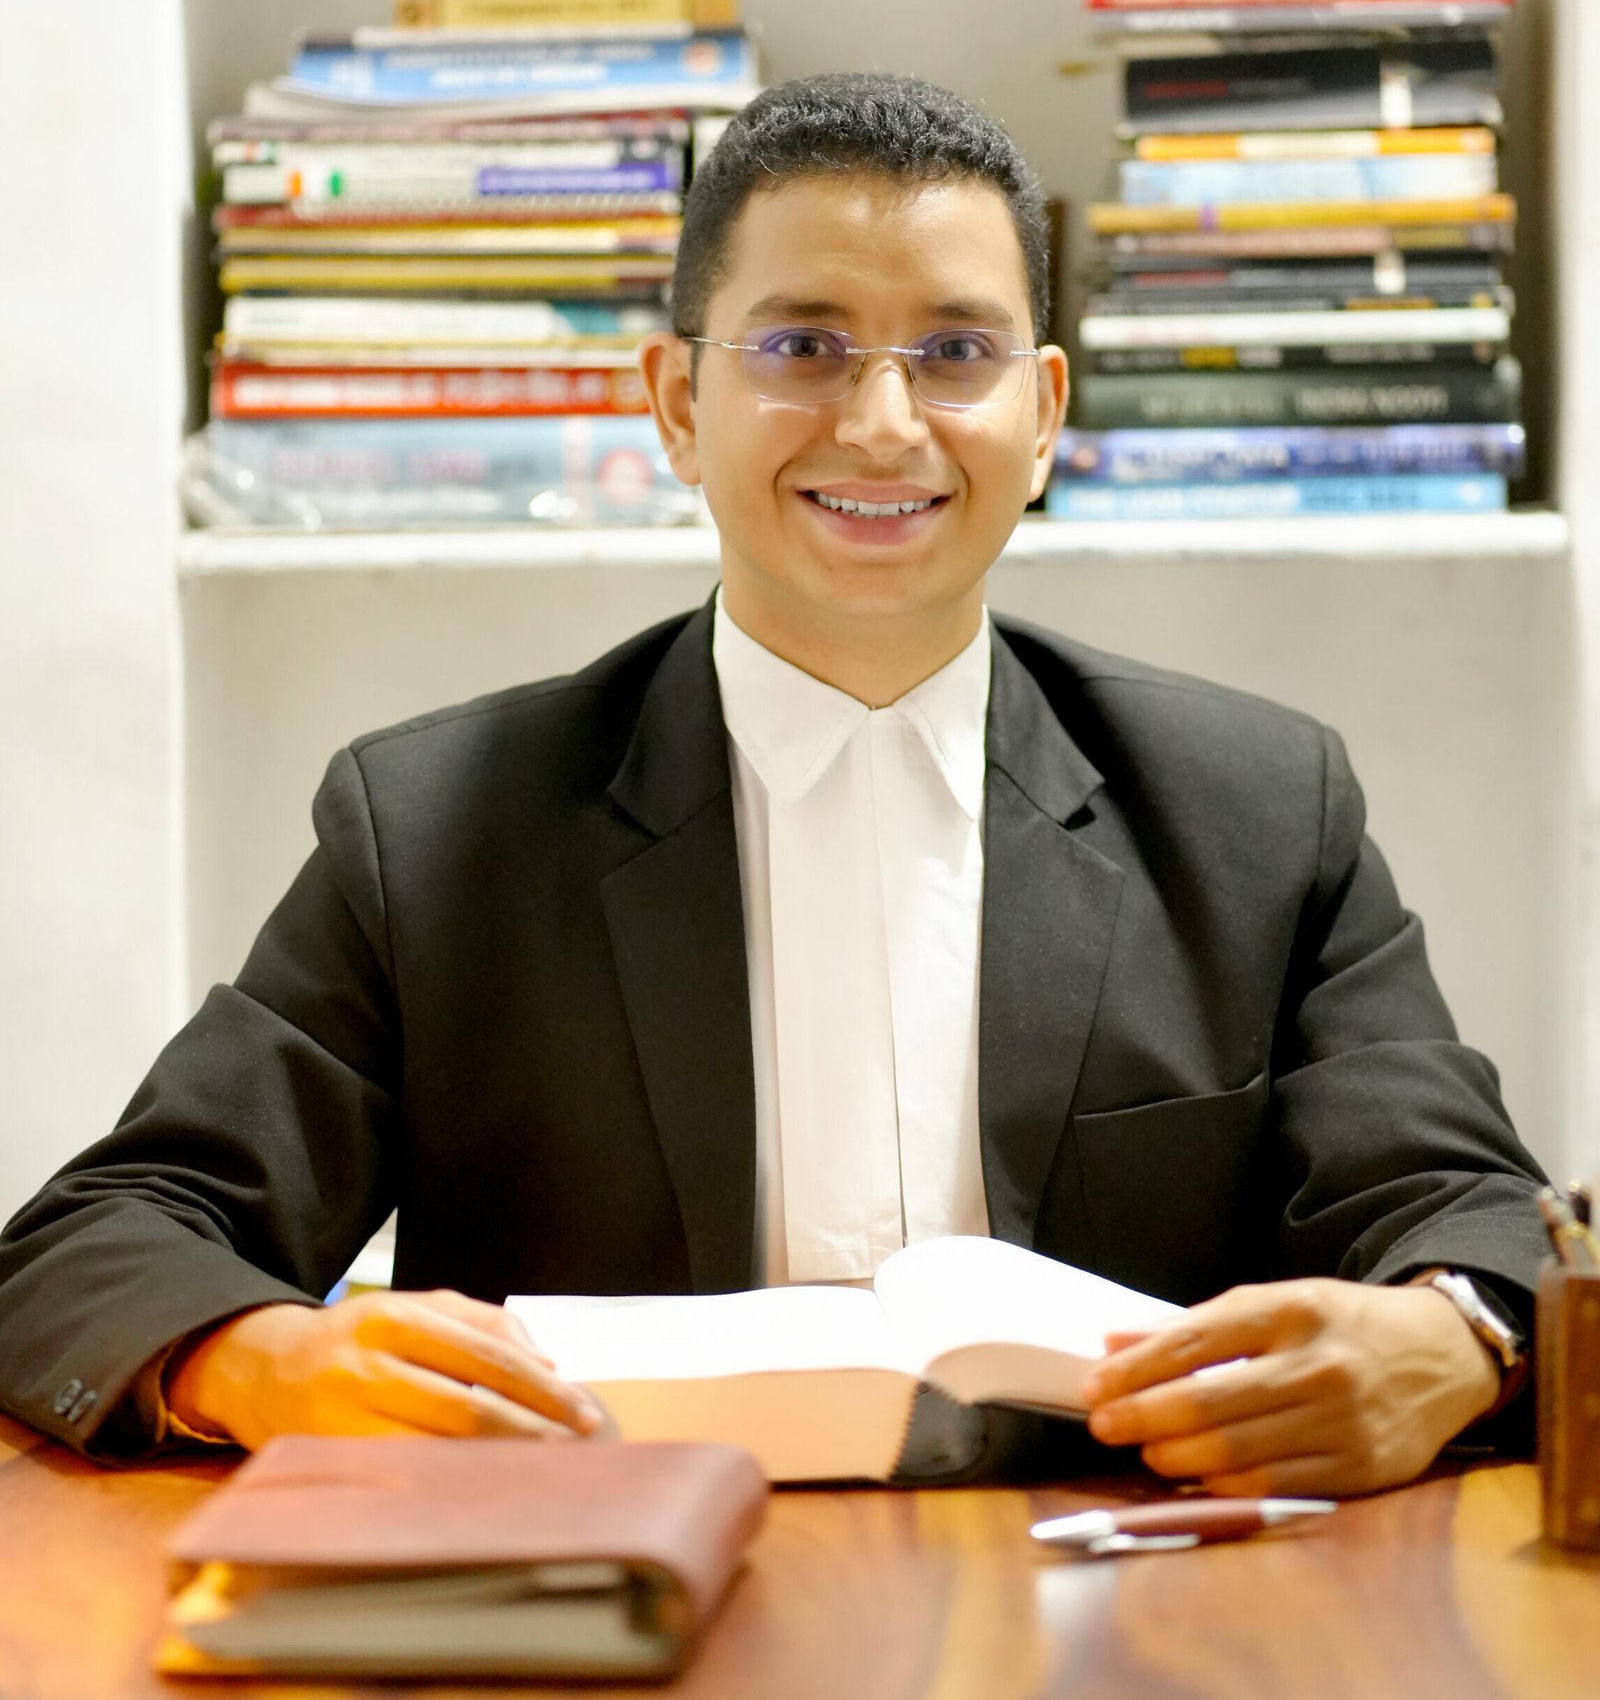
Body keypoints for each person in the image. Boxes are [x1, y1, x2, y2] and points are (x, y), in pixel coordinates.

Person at [0, 74, 1548, 1496]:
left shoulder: (1260, 810)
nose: (882, 424)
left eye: (956, 352)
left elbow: (1479, 1213)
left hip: (1129, 1616)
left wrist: (1460, 1337)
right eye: (803, 346)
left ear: (1046, 411)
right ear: (677, 400)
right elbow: (89, 1245)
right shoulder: (436, 828)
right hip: (604, 1604)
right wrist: (264, 1358)